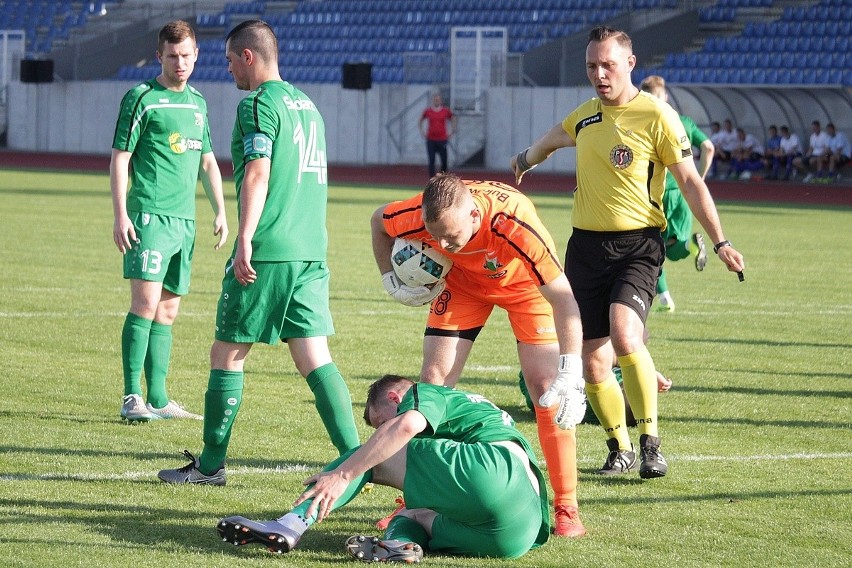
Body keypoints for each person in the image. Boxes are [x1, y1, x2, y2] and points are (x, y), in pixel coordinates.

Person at [510, 26, 745, 478]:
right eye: (592, 66)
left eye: (608, 65)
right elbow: (547, 143)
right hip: (585, 249)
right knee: (592, 360)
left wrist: (720, 241)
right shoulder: (585, 117)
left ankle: (651, 442)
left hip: (639, 245)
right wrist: (524, 160)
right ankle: (619, 448)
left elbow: (691, 182)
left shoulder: (657, 116)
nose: (599, 74)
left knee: (625, 334)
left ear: (630, 65)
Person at [157, 20, 359, 485]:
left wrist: (245, 237)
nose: (227, 69)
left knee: (227, 353)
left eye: (230, 60)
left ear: (249, 56)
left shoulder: (257, 105)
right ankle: (356, 457)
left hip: (270, 249)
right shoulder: (308, 106)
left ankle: (210, 466)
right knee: (314, 355)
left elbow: (257, 174)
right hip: (311, 249)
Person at [372, 173, 587, 537]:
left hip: (523, 289)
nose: (439, 244)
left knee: (547, 388)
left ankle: (566, 505)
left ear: (474, 216)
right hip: (463, 286)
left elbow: (564, 300)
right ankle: (416, 503)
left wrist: (572, 370)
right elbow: (379, 221)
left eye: (450, 237)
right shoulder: (426, 212)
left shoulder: (514, 225)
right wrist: (388, 278)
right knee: (433, 384)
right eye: (433, 233)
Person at [216, 374, 550, 561]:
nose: (380, 434)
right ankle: (400, 546)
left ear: (394, 398)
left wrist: (344, 473)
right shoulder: (476, 412)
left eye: (379, 425)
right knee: (411, 516)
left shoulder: (423, 393)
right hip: (516, 533)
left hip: (492, 469)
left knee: (361, 458)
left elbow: (406, 426)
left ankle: (290, 524)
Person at [110, 20, 228, 423]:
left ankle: (158, 399)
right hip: (148, 217)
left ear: (196, 55)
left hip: (184, 223)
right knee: (144, 305)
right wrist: (121, 213)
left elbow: (208, 160)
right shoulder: (141, 99)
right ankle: (131, 397)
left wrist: (221, 209)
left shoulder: (198, 103)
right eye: (172, 56)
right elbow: (120, 158)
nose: (180, 63)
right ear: (160, 55)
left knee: (167, 312)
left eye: (186, 55)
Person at [638, 75, 713, 312]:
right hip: (683, 192)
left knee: (651, 248)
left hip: (655, 194)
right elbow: (708, 147)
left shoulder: (645, 122)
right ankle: (691, 245)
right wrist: (699, 178)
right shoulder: (685, 122)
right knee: (671, 248)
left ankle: (664, 299)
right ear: (665, 96)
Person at [419, 92, 456, 178]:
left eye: (438, 100)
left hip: (442, 139)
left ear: (440, 101)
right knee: (431, 160)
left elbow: (453, 118)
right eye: (435, 99)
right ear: (433, 101)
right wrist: (422, 131)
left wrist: (452, 131)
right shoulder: (428, 111)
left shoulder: (445, 111)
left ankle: (443, 179)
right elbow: (420, 120)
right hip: (431, 139)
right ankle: (432, 180)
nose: (436, 101)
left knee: (444, 160)